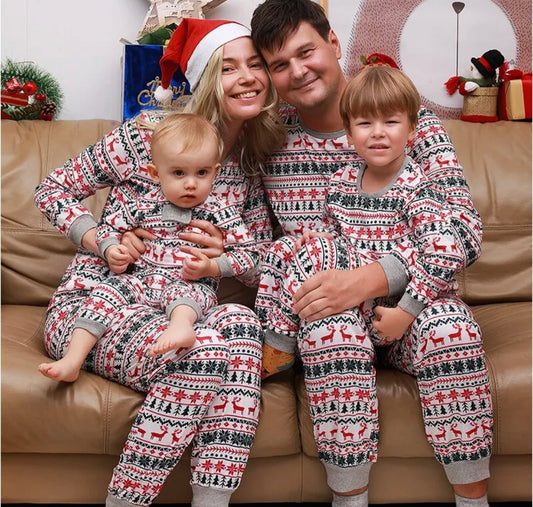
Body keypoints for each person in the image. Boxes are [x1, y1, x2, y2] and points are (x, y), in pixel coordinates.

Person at [34, 18, 285, 507]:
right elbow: (53, 189)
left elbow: (260, 261)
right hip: (100, 303)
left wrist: (223, 260)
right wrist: (105, 240)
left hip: (178, 309)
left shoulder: (247, 163)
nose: (248, 77)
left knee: (239, 322)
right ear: (207, 77)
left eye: (256, 65)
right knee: (209, 354)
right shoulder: (143, 140)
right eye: (229, 67)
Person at [250, 1, 492, 506]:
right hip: (328, 312)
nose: (297, 71)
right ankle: (349, 498)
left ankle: (474, 498)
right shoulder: (268, 137)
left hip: (414, 304)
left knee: (452, 328)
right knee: (328, 328)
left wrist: (372, 279)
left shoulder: (406, 122)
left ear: (334, 44)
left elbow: (463, 233)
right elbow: (265, 250)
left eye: (306, 51)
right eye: (279, 64)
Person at [38, 112, 261, 382]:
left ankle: (180, 327)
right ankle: (72, 359)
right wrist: (110, 248)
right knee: (109, 290)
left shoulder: (221, 210)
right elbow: (109, 225)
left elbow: (252, 255)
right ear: (155, 173)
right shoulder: (144, 202)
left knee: (198, 302)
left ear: (215, 172)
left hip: (186, 283)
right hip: (140, 280)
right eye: (179, 173)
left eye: (201, 173)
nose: (191, 183)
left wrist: (215, 265)